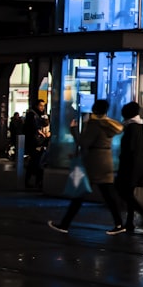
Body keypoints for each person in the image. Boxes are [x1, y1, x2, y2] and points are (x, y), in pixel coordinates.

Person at [48, 98, 125, 234]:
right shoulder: (108, 124)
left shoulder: (94, 124)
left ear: (94, 109)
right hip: (105, 161)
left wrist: (74, 130)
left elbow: (84, 142)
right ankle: (119, 224)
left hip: (93, 162)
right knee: (108, 195)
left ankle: (64, 225)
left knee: (80, 193)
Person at [115, 101, 143, 233]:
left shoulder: (131, 127)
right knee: (128, 193)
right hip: (137, 165)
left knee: (123, 192)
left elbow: (129, 149)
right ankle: (130, 222)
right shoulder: (138, 126)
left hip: (130, 166)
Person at [23, 99, 51, 189]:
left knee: (37, 162)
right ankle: (36, 182)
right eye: (40, 106)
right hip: (35, 142)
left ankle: (34, 181)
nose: (42, 108)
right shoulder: (32, 115)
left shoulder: (41, 115)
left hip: (39, 141)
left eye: (43, 106)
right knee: (37, 162)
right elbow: (33, 128)